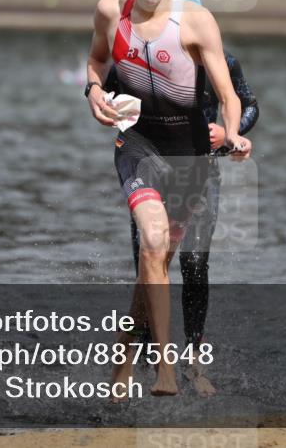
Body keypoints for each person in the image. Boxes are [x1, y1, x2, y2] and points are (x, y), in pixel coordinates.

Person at [85, 0, 252, 399]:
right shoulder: (109, 11)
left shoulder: (198, 21)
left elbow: (228, 94)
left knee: (155, 263)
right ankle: (164, 371)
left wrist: (234, 133)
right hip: (136, 145)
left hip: (190, 157)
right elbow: (96, 60)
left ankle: (121, 364)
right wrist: (94, 90)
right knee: (152, 246)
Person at [104, 44, 258, 397]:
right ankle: (143, 358)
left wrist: (226, 134)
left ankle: (193, 361)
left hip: (201, 173)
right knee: (147, 264)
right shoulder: (137, 59)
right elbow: (111, 98)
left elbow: (249, 104)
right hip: (151, 169)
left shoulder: (223, 60)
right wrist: (119, 112)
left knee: (194, 261)